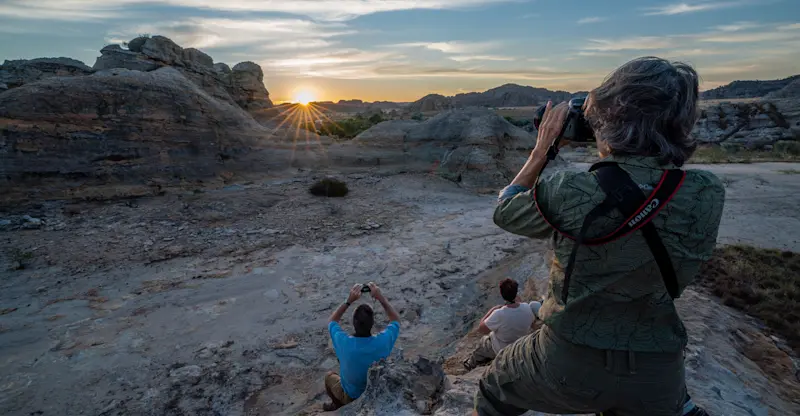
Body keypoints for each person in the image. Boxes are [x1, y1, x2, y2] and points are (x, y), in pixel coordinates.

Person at [473, 57, 724, 416]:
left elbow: (507, 210)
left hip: (566, 363)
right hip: (658, 373)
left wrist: (542, 148)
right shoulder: (707, 192)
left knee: (493, 387)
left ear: (609, 118)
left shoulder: (570, 190)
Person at [324, 282, 401, 411]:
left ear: (353, 323)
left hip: (352, 395)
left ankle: (337, 405)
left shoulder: (344, 342)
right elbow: (396, 320)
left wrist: (348, 301)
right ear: (372, 323)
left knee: (329, 376)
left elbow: (332, 321)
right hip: (374, 392)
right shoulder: (382, 341)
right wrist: (380, 298)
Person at [464, 278, 534, 370]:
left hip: (501, 349)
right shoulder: (527, 308)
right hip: (518, 345)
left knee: (483, 342)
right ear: (516, 292)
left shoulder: (499, 313)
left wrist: (491, 311)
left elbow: (481, 329)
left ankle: (470, 364)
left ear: (501, 294)